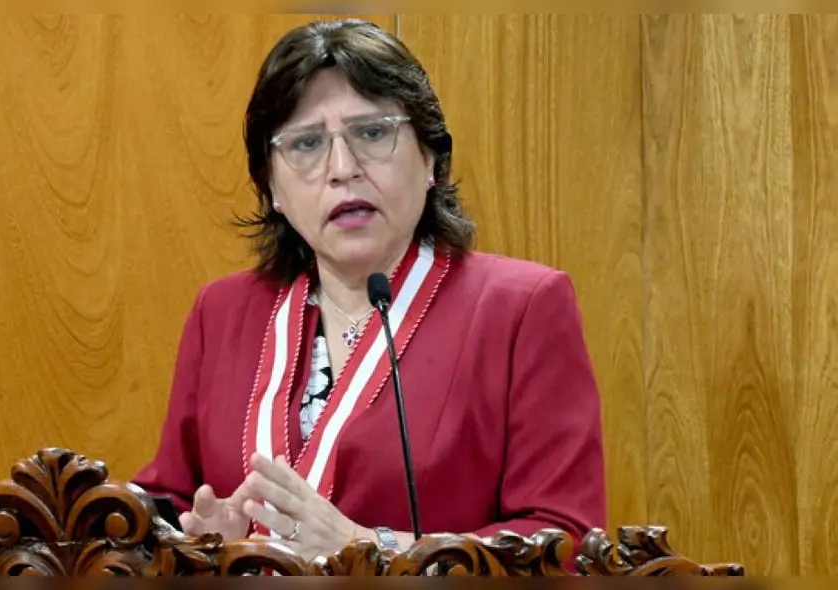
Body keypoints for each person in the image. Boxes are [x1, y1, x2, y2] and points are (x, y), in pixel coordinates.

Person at [132, 18, 607, 562]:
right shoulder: (222, 312)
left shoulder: (522, 307)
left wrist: (368, 549)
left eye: (373, 132)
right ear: (272, 188)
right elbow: (168, 496)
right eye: (306, 144)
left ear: (429, 157)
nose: (342, 169)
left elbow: (563, 541)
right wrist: (196, 536)